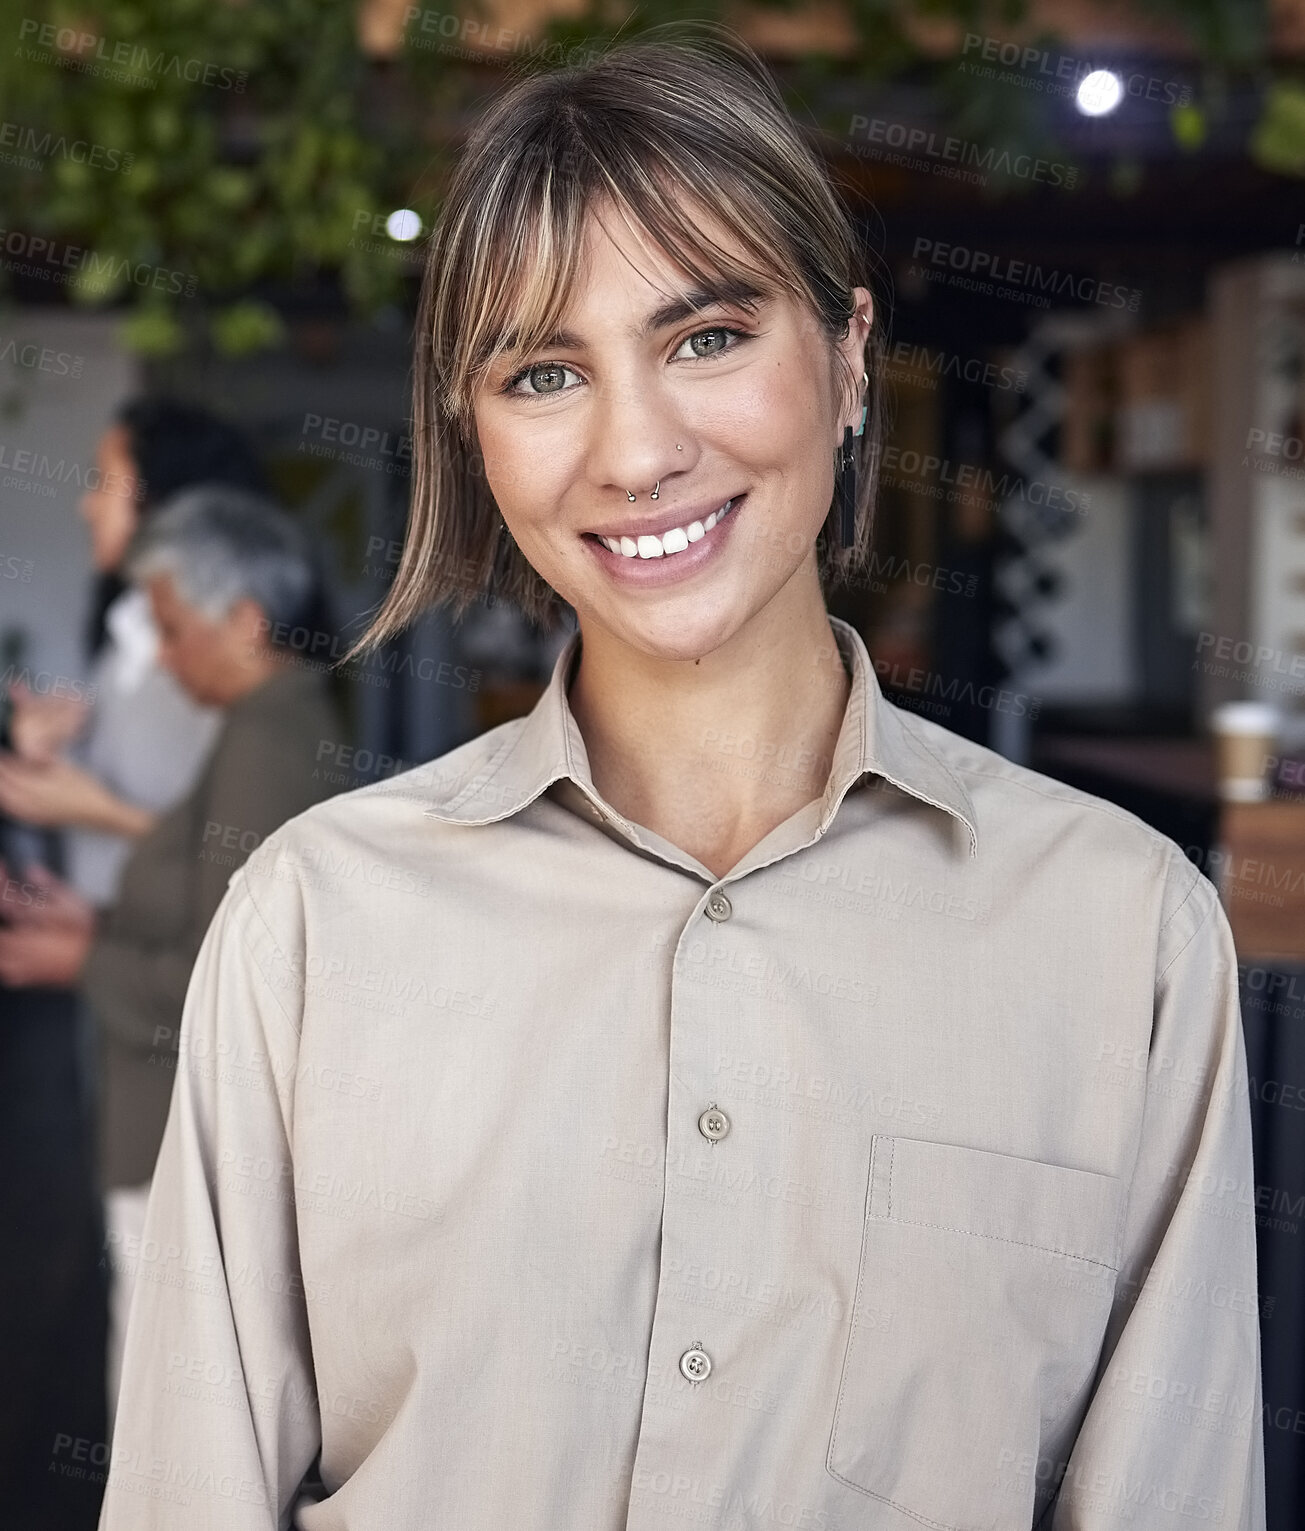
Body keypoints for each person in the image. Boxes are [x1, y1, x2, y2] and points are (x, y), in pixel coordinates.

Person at [97, 24, 1265, 1531]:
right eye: (542, 371)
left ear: (848, 358)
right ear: (477, 432)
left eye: (706, 337)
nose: (636, 449)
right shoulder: (314, 921)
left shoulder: (1124, 936)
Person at [0, 485, 346, 1433]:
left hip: (179, 1131)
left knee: (170, 1415)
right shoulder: (265, 723)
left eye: (170, 624)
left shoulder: (269, 734)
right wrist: (95, 921)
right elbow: (213, 912)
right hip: (169, 1122)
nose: (163, 652)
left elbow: (231, 976)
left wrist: (82, 957)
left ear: (242, 621)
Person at [0, 398, 271, 906]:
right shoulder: (124, 629)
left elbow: (252, 855)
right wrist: (46, 753)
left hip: (187, 966)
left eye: (104, 481)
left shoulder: (231, 653)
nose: (87, 505)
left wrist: (102, 811)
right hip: (112, 953)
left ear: (166, 498)